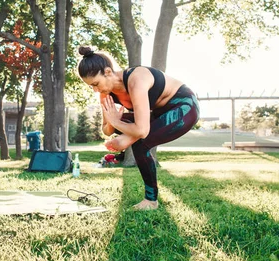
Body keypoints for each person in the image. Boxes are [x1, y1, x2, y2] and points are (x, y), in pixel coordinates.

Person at [78, 46, 200, 210]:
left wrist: (119, 125)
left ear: (108, 72)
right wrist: (114, 122)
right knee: (137, 137)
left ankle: (150, 201)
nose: (95, 89)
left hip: (184, 107)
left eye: (96, 83)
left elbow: (142, 131)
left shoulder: (136, 79)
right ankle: (130, 137)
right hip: (155, 116)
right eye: (90, 86)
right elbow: (107, 131)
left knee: (141, 142)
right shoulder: (105, 93)